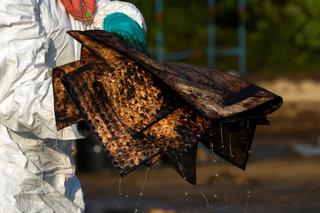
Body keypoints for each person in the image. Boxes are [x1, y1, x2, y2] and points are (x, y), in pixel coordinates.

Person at [0, 0, 147, 211]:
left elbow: (97, 10)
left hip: (60, 173)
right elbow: (16, 96)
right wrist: (87, 105)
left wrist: (121, 20)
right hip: (11, 176)